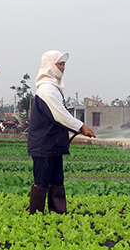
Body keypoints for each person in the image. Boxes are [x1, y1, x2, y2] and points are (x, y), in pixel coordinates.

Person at [27, 50, 96, 214]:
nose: (63, 68)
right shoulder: (46, 90)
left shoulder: (54, 89)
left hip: (54, 145)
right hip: (44, 145)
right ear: (50, 65)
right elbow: (59, 115)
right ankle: (35, 214)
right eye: (60, 64)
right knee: (42, 182)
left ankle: (58, 213)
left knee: (57, 180)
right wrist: (81, 127)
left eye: (64, 64)